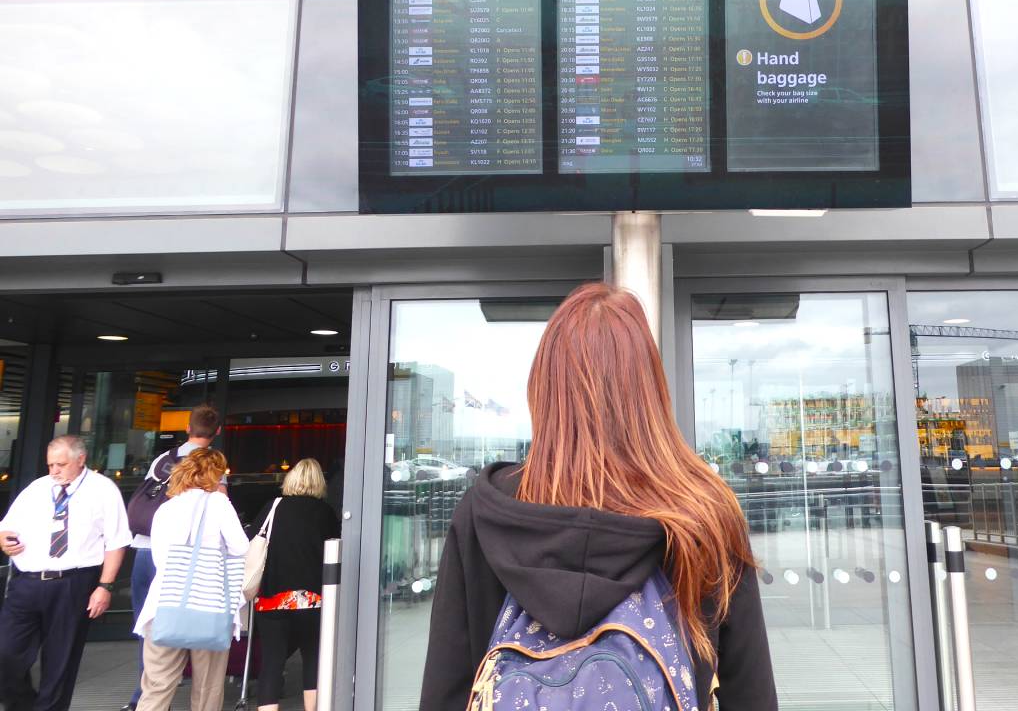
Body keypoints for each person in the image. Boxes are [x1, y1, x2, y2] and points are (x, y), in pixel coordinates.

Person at [420, 282, 778, 711]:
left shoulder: (489, 511)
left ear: (545, 388)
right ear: (650, 390)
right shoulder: (701, 509)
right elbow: (748, 687)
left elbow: (448, 681)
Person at [0, 434, 131, 711]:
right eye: (50, 465)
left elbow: (116, 542)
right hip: (28, 581)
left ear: (80, 460)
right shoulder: (38, 488)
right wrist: (4, 539)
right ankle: (24, 704)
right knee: (6, 654)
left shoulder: (103, 490)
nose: (54, 471)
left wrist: (104, 587)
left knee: (60, 662)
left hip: (73, 582)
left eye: (60, 464)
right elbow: (6, 526)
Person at [122, 403, 224, 711]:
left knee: (152, 629)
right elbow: (222, 515)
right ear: (217, 431)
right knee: (198, 630)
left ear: (187, 428)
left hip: (146, 552)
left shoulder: (164, 460)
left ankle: (146, 695)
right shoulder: (211, 466)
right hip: (189, 562)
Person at [134, 448, 248, 711]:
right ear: (214, 475)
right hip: (208, 605)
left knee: (156, 687)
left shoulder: (166, 508)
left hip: (163, 606)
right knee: (207, 688)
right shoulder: (218, 503)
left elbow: (160, 558)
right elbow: (240, 547)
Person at [251, 458, 341, 711]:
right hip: (312, 599)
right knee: (313, 660)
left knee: (271, 663)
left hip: (272, 599)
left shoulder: (272, 507)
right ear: (319, 483)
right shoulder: (325, 513)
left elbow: (253, 544)